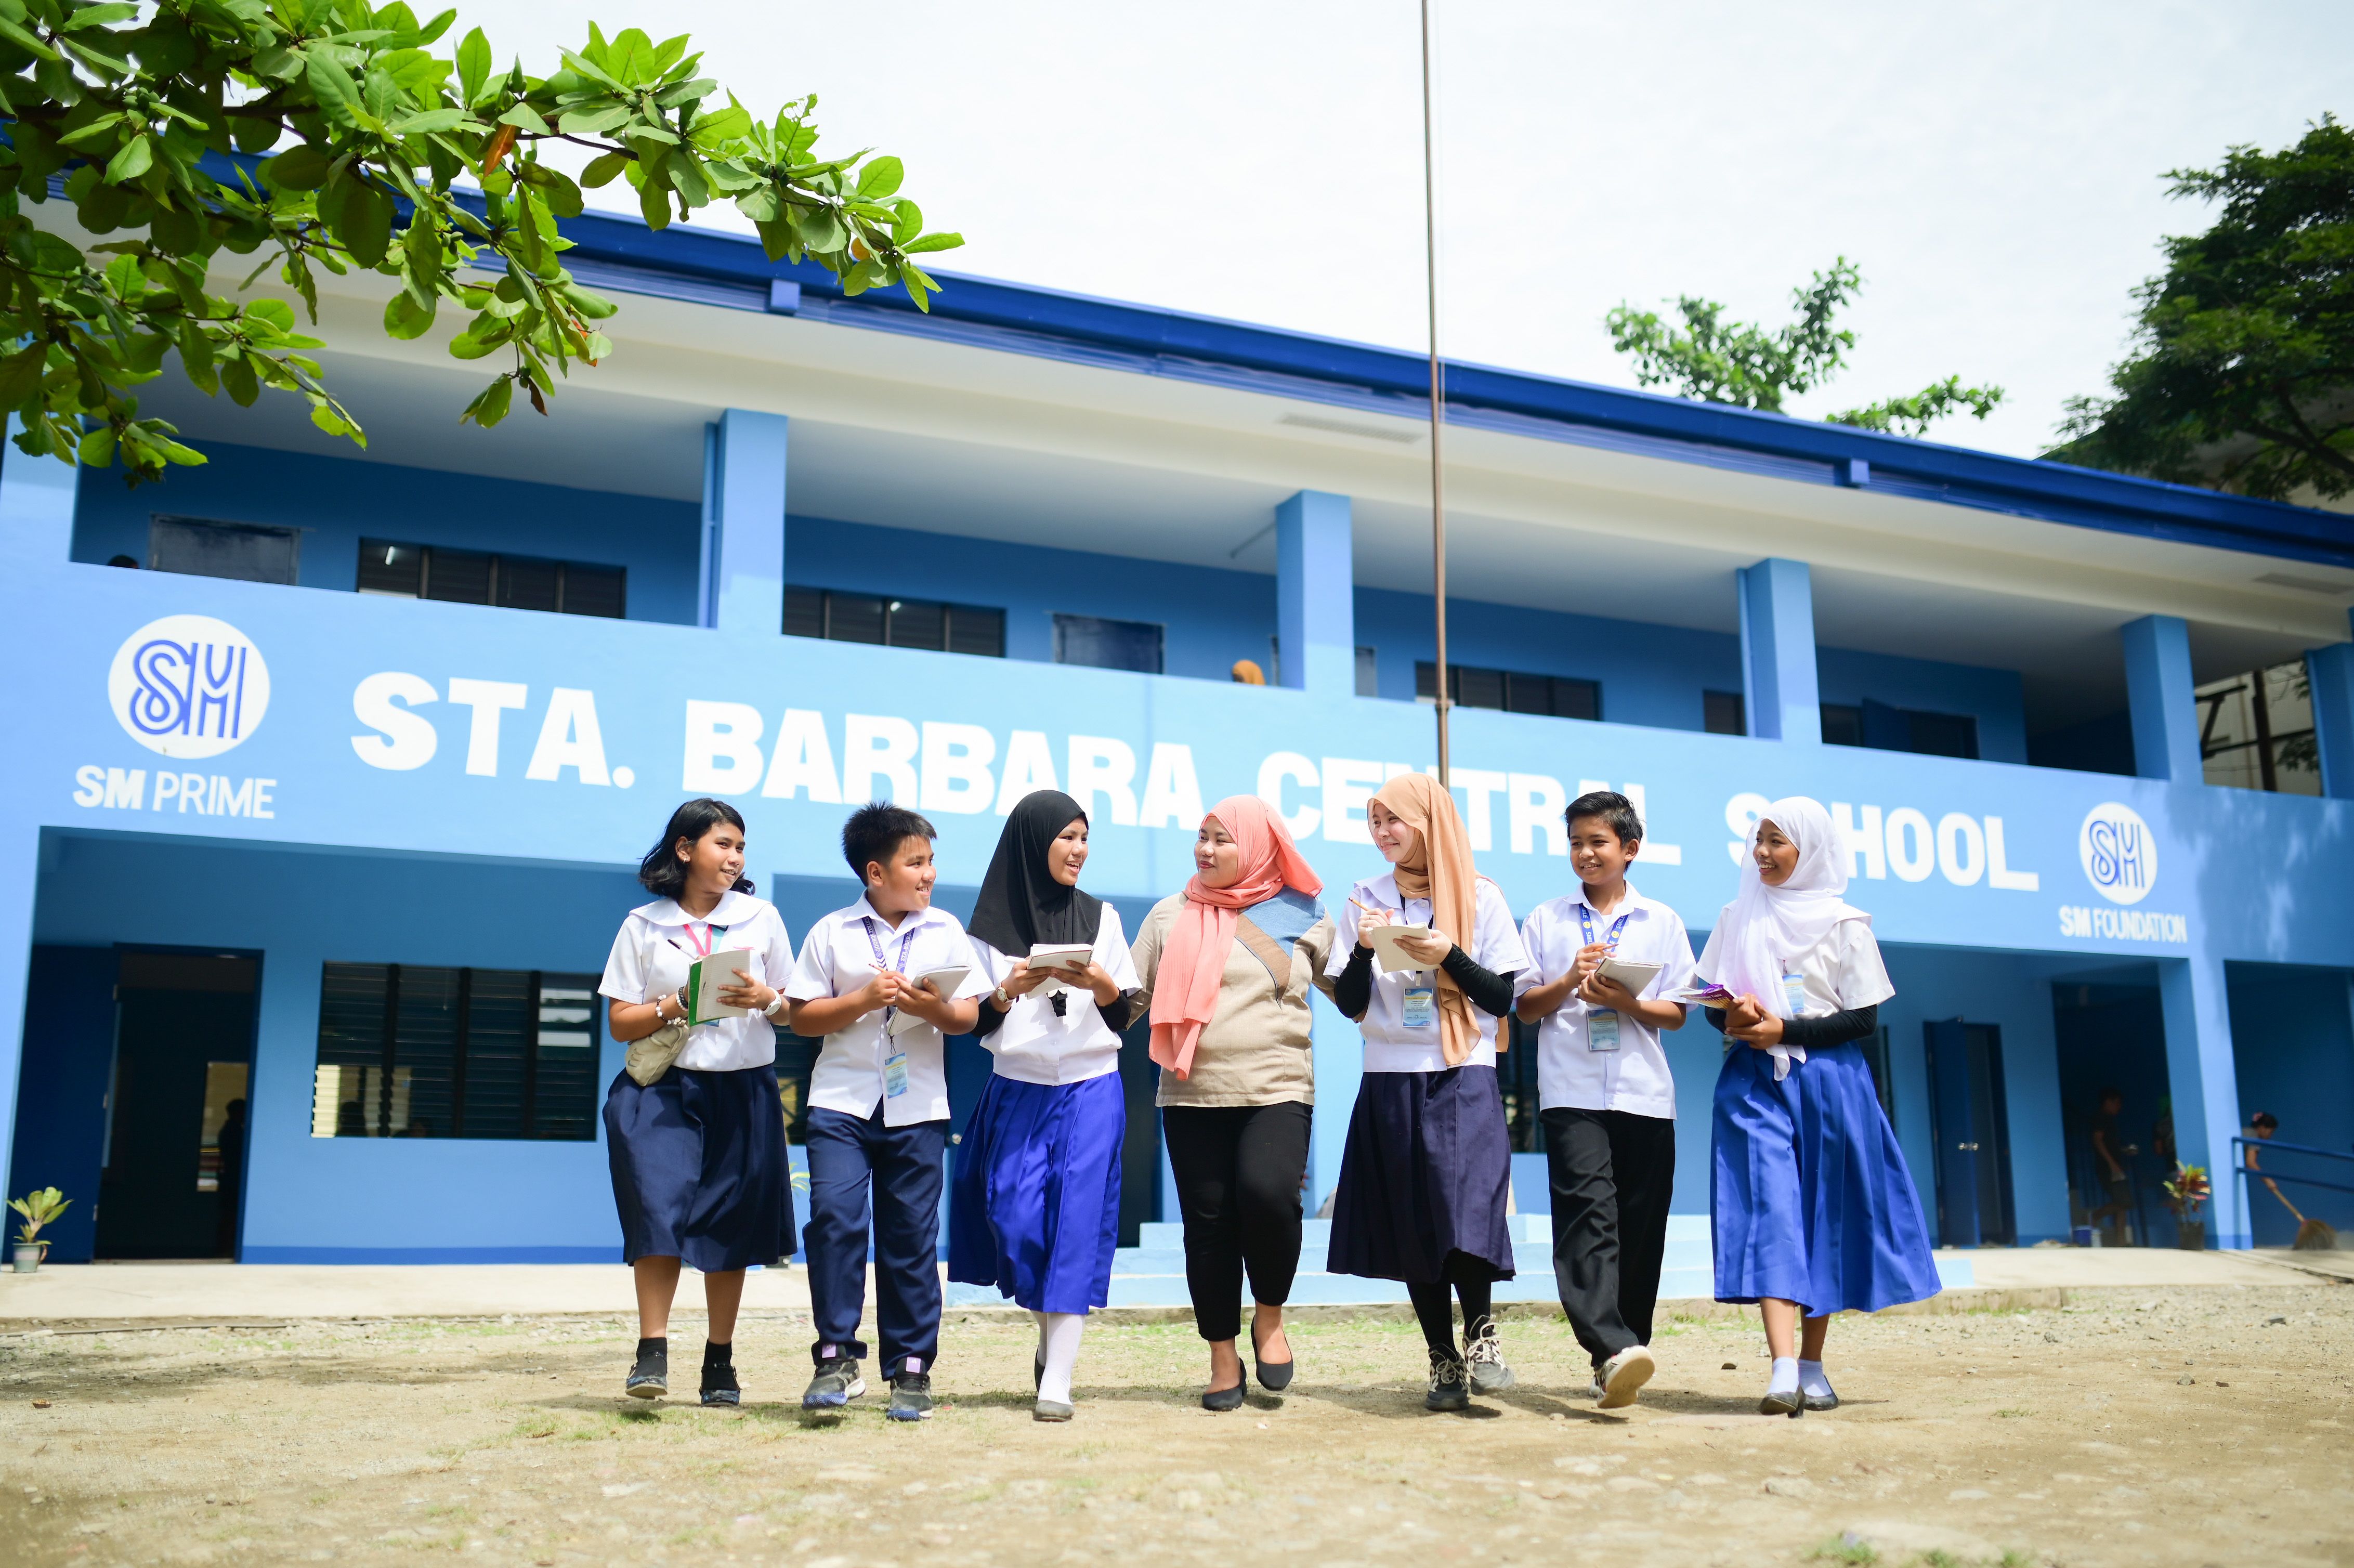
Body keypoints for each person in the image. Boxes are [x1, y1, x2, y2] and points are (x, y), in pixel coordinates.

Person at [1701, 796, 1939, 1417]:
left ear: (1810, 848)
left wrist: (1786, 1030)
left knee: (1819, 1216)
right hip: (1753, 1082)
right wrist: (1736, 1017)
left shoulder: (1845, 923)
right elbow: (1709, 1003)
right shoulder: (1737, 914)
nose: (1762, 852)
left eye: (1776, 840)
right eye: (1758, 840)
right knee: (1770, 1210)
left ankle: (1811, 1363)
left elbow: (1863, 1018)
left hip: (1830, 1084)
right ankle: (1781, 1367)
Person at [1325, 773, 1529, 1413]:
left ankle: (1481, 1334)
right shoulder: (1365, 897)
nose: (1383, 834)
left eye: (1395, 820)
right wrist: (1361, 951)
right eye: (1375, 822)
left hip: (1462, 1066)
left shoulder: (1479, 894)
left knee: (1467, 1204)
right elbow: (1351, 1006)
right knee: (1412, 1215)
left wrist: (1448, 956)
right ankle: (1441, 1356)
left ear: (1428, 821)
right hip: (1389, 1072)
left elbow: (1503, 998)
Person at [783, 802, 989, 1421]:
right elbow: (801, 1017)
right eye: (916, 862)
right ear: (876, 872)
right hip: (840, 1103)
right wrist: (864, 998)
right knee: (836, 1222)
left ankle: (910, 1367)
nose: (929, 874)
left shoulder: (945, 931)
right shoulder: (832, 932)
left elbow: (968, 1016)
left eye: (931, 861)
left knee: (910, 1238)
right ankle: (835, 1358)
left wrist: (923, 1006)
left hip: (918, 1107)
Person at [1130, 796, 1333, 1410]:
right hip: (1191, 1091)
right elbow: (1126, 1000)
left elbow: (1352, 992)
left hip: (1276, 1084)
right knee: (1209, 1225)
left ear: (1259, 844)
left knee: (1270, 1197)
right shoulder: (1169, 916)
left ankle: (1268, 1317)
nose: (1206, 849)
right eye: (1201, 837)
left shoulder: (1305, 914)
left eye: (1222, 838)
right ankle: (1222, 1354)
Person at [949, 790, 1142, 1421]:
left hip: (1090, 1085)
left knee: (1076, 1224)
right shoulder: (985, 928)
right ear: (1033, 842)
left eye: (1085, 838)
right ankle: (1046, 1333)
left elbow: (1124, 1010)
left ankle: (1057, 1378)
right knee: (1014, 1216)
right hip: (1018, 1085)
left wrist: (1102, 983)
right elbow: (975, 1020)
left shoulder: (1102, 917)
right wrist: (1008, 989)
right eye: (1067, 838)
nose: (1079, 850)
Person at [600, 798, 796, 1406]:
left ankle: (720, 1361)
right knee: (657, 1211)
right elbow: (618, 1022)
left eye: (741, 847)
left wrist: (765, 997)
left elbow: (793, 1010)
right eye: (722, 845)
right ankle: (651, 1351)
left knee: (729, 1224)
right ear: (685, 850)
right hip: (661, 1090)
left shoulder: (761, 918)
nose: (735, 858)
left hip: (743, 1087)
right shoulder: (643, 924)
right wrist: (673, 1004)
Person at [1513, 790, 1694, 1409]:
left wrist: (1624, 1003)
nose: (1585, 854)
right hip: (1572, 1093)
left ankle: (1620, 1352)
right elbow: (1525, 1008)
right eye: (1575, 843)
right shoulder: (1545, 918)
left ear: (1629, 850)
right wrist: (1568, 980)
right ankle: (1611, 1344)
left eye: (1597, 842)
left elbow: (1677, 1016)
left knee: (1641, 1230)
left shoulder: (1661, 922)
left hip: (1645, 1096)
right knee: (1587, 1218)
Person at [2088, 1087, 2134, 1245]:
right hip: (2108, 1167)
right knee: (2124, 1202)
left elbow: (2108, 1143)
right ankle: (2095, 1216)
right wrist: (2112, 1164)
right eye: (2117, 1103)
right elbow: (2098, 1140)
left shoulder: (2109, 1119)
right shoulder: (2102, 1117)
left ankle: (2121, 1241)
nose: (2119, 1107)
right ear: (2108, 1102)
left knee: (2122, 1204)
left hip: (2114, 1165)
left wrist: (2123, 1151)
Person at [213, 1097, 247, 1259]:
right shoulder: (234, 1132)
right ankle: (225, 1249)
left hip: (230, 1179)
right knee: (230, 1216)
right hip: (233, 1180)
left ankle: (225, 1248)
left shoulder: (231, 1130)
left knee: (229, 1215)